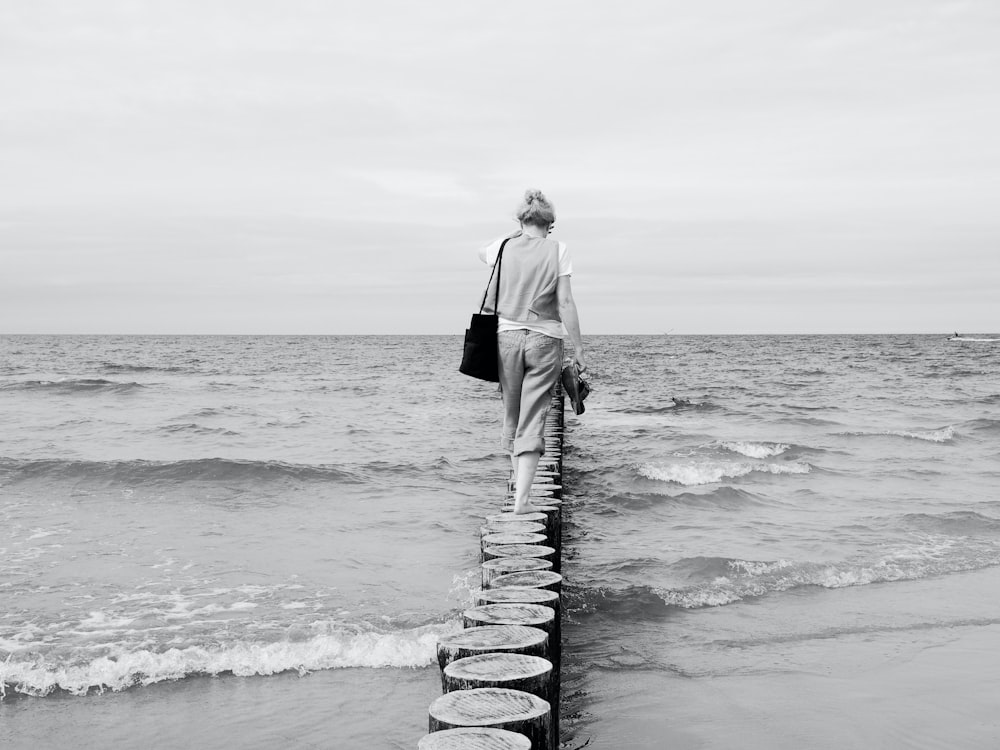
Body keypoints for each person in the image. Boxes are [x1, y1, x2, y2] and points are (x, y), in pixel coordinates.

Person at [477, 189, 586, 514]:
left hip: (505, 339)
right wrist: (579, 348)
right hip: (544, 341)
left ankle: (516, 490)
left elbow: (480, 252)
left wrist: (516, 233)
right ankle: (522, 501)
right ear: (550, 222)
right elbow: (565, 302)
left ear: (521, 219)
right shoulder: (558, 250)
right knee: (533, 417)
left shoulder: (503, 247)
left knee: (512, 415)